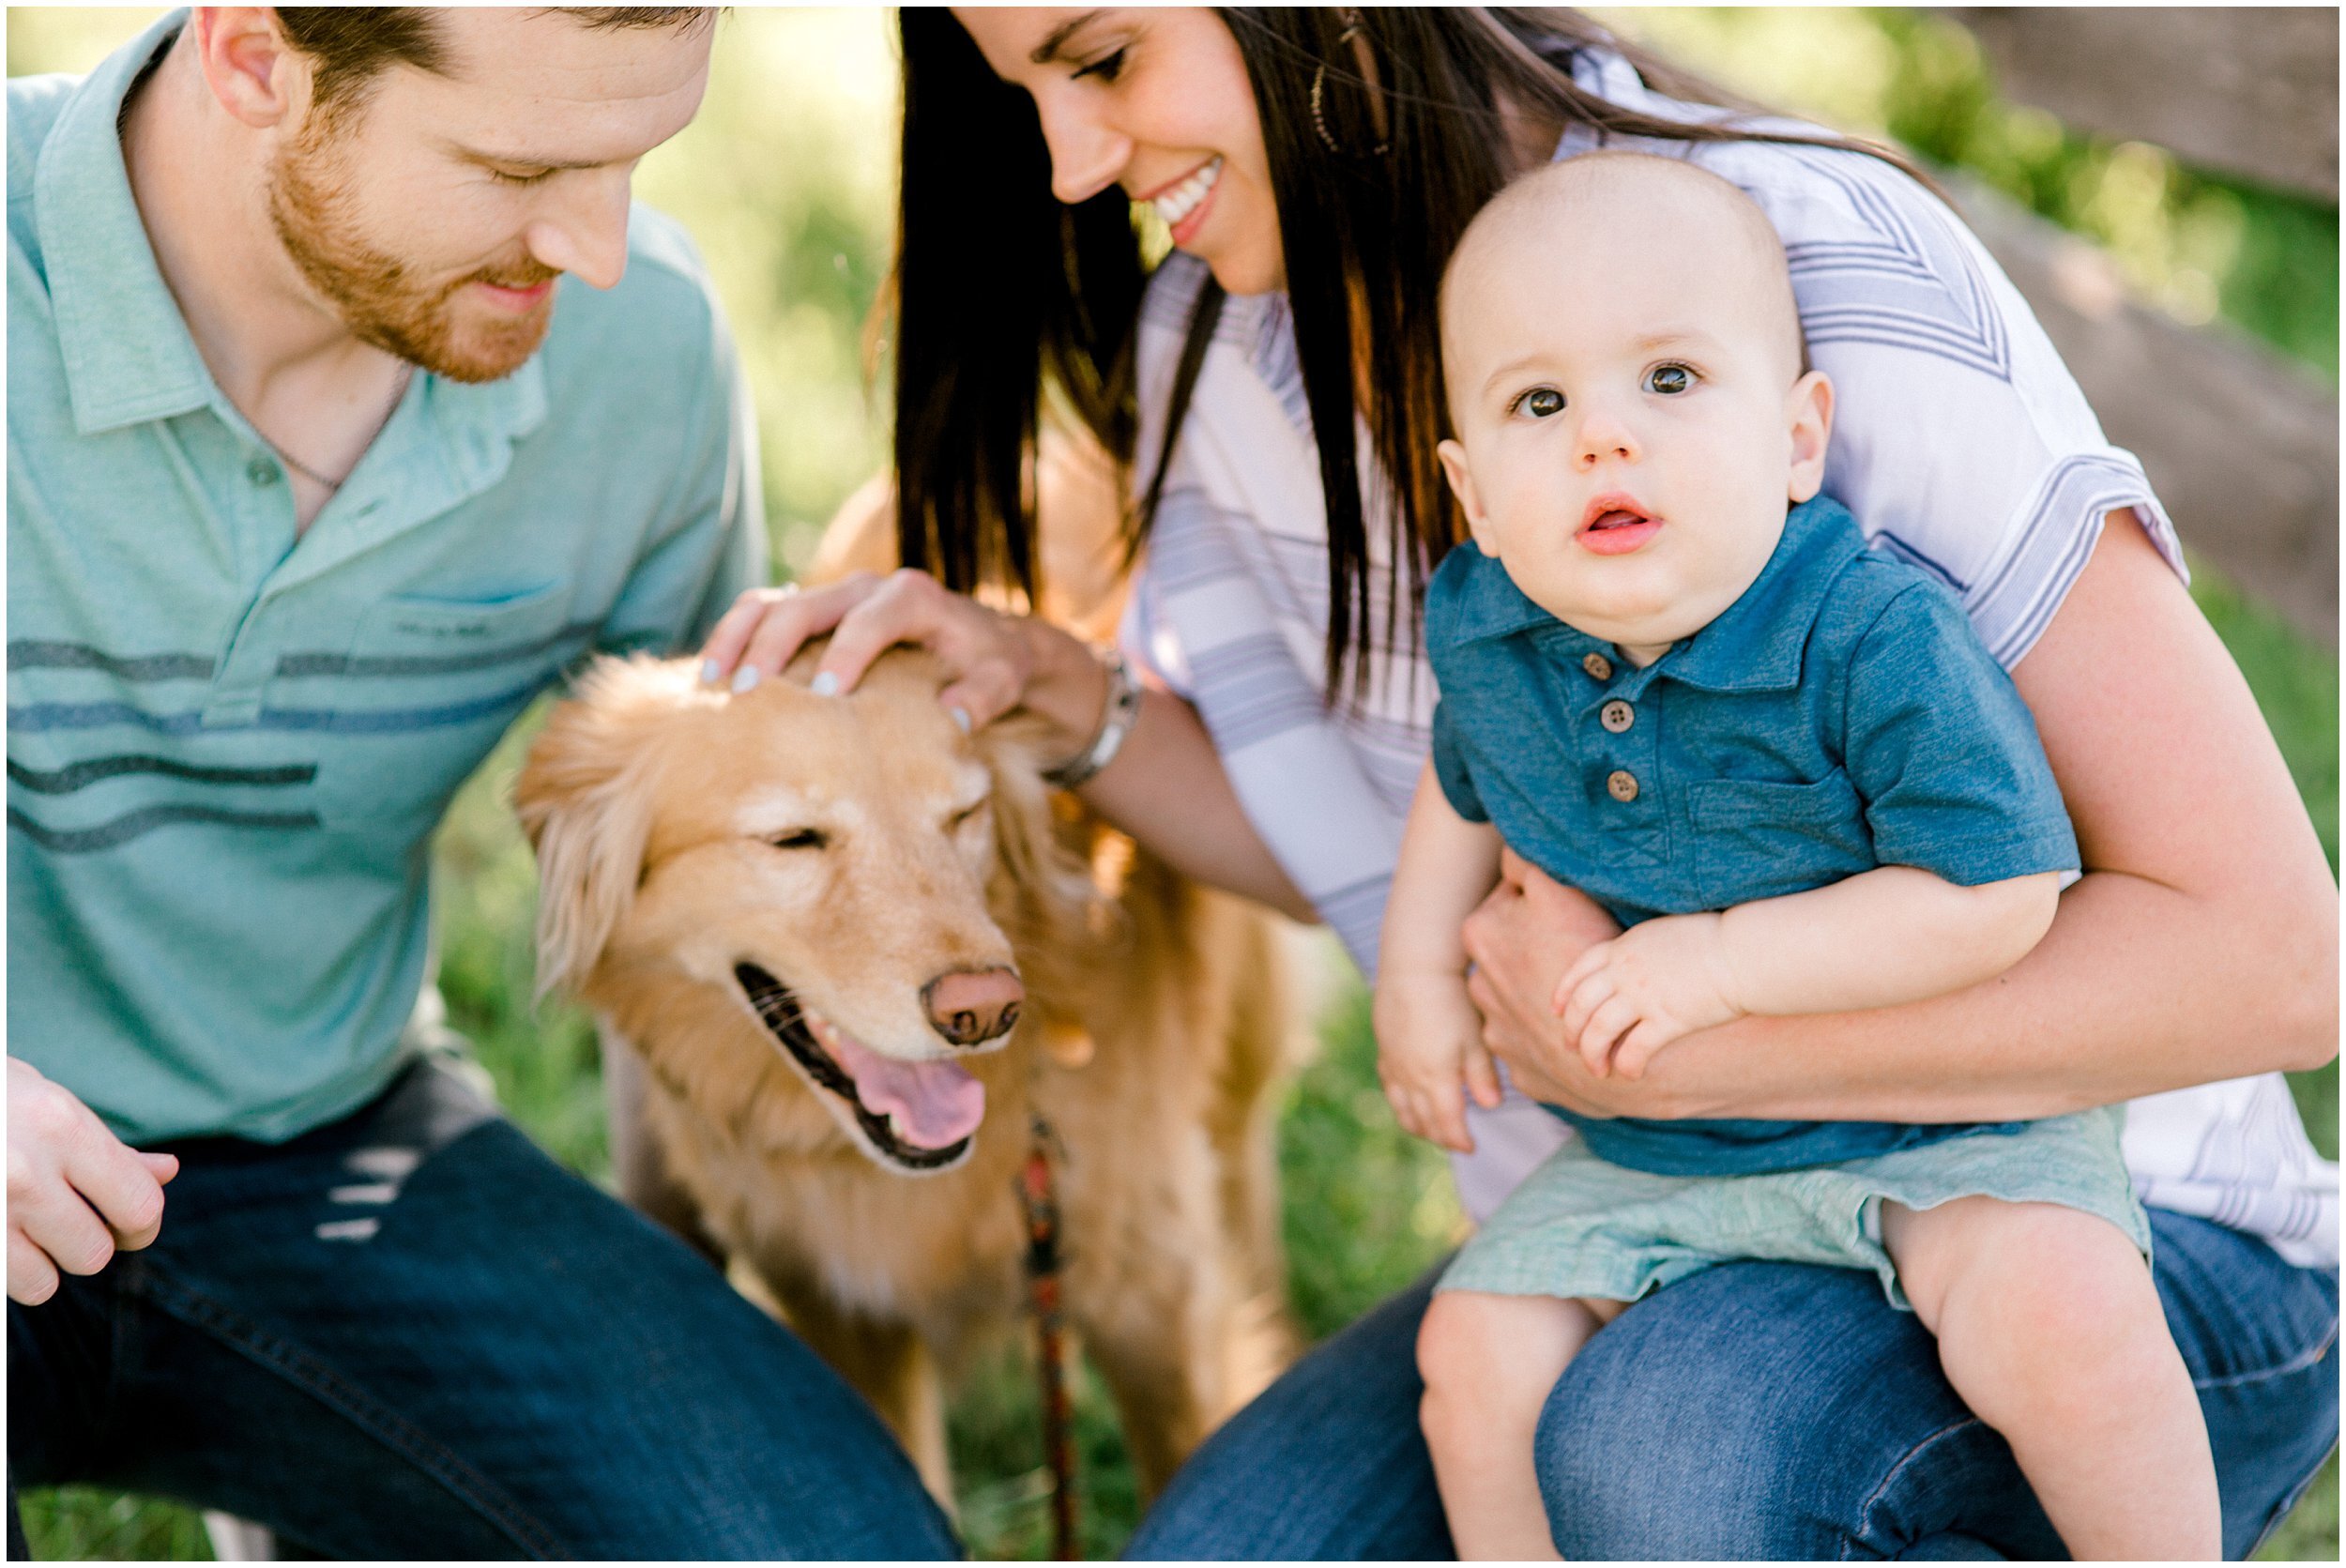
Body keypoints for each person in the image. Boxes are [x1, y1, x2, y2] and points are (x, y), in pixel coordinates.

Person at [696, 8, 2338, 1559]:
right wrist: (1072, 706)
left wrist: (1694, 1050)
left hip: (2100, 1229)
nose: (1066, 165)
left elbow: (2273, 966)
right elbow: (1369, 839)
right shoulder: (1209, 351)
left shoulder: (1790, 265)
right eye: (1019, 97)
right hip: (1650, 1209)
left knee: (1661, 1454)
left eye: (1106, 59)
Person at [7, 8, 954, 1557]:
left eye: (633, 162)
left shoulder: (639, 344)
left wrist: (667, 1319)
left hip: (327, 1146)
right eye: (520, 166)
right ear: (256, 57)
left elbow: (687, 875)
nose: (594, 250)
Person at [1380, 151, 2211, 1560]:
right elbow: (1465, 781)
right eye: (1540, 403)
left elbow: (1996, 890)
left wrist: (1718, 964)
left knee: (2063, 1310)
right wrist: (1414, 977)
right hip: (1666, 1151)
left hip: (1943, 1123)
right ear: (1470, 489)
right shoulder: (1488, 628)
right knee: (1472, 1349)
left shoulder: (1870, 633)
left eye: (1670, 381)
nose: (1603, 441)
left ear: (1797, 437)